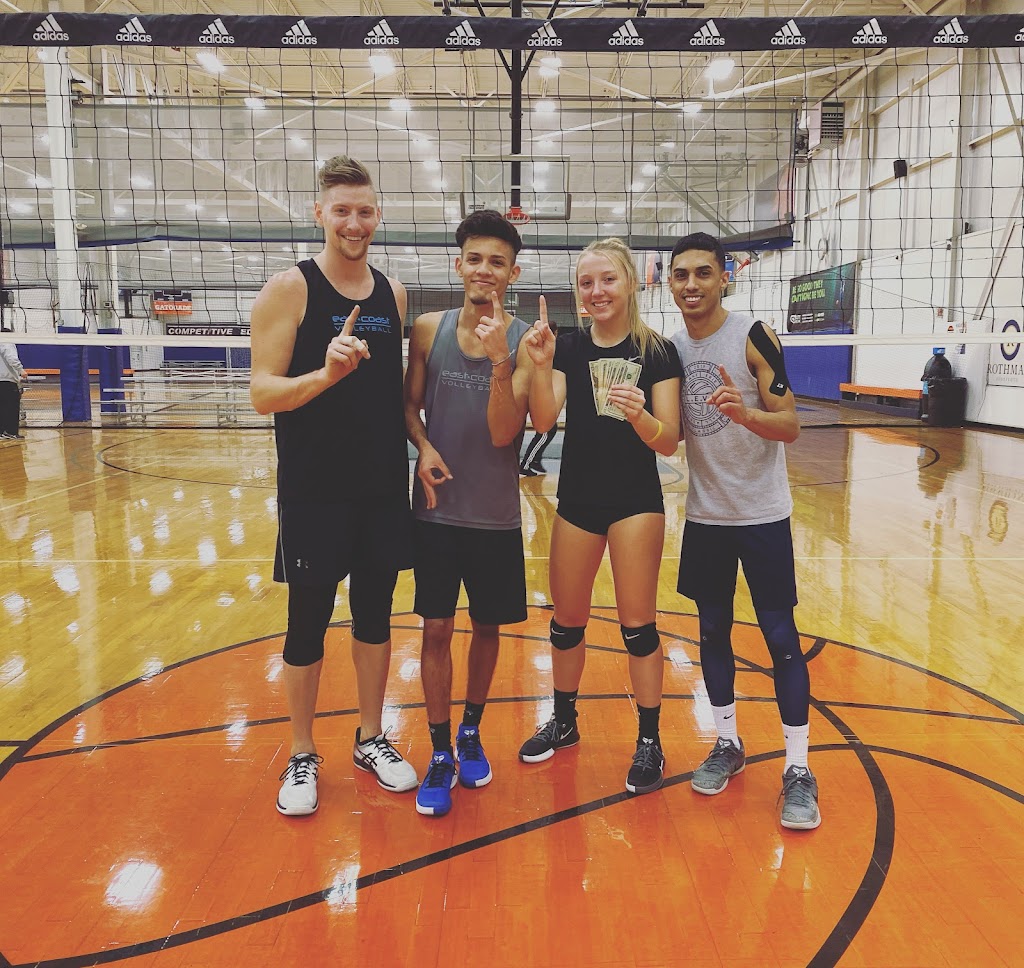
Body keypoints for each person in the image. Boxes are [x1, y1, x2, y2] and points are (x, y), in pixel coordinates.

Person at [250, 155, 418, 816]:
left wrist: (426, 447)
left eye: (365, 211)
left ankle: (371, 738)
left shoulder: (393, 294)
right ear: (319, 213)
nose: (354, 222)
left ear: (378, 216)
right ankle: (301, 751)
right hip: (314, 488)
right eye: (342, 210)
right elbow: (263, 393)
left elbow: (391, 392)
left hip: (381, 487)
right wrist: (324, 375)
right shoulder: (289, 289)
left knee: (376, 617)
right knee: (307, 623)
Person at [667, 232, 820, 830]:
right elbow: (669, 433)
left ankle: (798, 768)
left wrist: (746, 413)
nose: (691, 284)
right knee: (712, 632)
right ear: (671, 283)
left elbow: (790, 425)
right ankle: (728, 743)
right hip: (706, 517)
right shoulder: (671, 350)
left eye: (703, 273)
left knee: (780, 636)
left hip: (762, 515)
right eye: (681, 274)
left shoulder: (754, 334)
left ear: (724, 278)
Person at [520, 237, 682, 795]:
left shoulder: (657, 351)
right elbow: (544, 421)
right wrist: (542, 364)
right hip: (578, 501)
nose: (596, 291)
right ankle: (564, 722)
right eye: (586, 282)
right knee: (566, 623)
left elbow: (669, 441)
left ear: (630, 282)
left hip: (636, 502)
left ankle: (649, 740)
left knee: (638, 628)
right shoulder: (567, 346)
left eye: (607, 279)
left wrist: (641, 418)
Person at [404, 210, 533, 817]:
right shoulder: (427, 329)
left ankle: (471, 730)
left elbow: (508, 433)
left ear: (512, 273)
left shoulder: (526, 339)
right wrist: (423, 446)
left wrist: (502, 357)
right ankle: (438, 750)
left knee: (486, 628)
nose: (485, 270)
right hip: (436, 512)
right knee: (435, 631)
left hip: (495, 515)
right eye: (475, 259)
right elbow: (409, 407)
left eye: (497, 262)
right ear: (458, 265)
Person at [0, 342, 25, 440]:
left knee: (2, 407)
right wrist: (20, 370)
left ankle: (1, 432)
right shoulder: (7, 342)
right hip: (7, 381)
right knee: (11, 407)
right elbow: (11, 357)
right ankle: (10, 431)